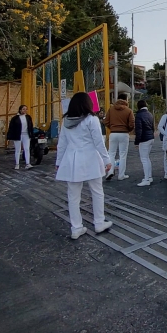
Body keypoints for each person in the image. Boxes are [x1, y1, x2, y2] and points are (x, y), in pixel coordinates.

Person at [55, 92, 113, 238]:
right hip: (91, 159)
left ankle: (76, 228)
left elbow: (62, 144)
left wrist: (58, 161)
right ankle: (99, 222)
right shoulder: (91, 119)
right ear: (87, 104)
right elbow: (98, 142)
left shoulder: (66, 121)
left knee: (73, 196)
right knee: (97, 191)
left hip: (71, 160)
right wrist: (107, 160)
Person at [104, 93, 135, 181]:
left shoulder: (111, 109)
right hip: (124, 134)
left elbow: (106, 121)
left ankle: (110, 172)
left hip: (113, 133)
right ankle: (121, 175)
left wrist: (112, 127)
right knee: (123, 154)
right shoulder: (128, 110)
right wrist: (128, 129)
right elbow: (132, 123)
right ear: (126, 100)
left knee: (111, 153)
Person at [134, 99, 155, 187]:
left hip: (144, 139)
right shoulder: (150, 114)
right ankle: (149, 177)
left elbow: (139, 130)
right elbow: (153, 127)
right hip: (151, 137)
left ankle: (146, 179)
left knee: (144, 159)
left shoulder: (139, 115)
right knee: (147, 158)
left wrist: (136, 142)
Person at [7, 105, 34, 170]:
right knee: (18, 149)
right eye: (23, 109)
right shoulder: (15, 118)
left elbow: (31, 126)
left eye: (26, 109)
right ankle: (17, 164)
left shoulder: (28, 117)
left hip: (26, 134)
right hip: (18, 135)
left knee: (27, 149)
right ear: (20, 110)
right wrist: (10, 136)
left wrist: (31, 134)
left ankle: (28, 163)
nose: (25, 110)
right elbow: (11, 127)